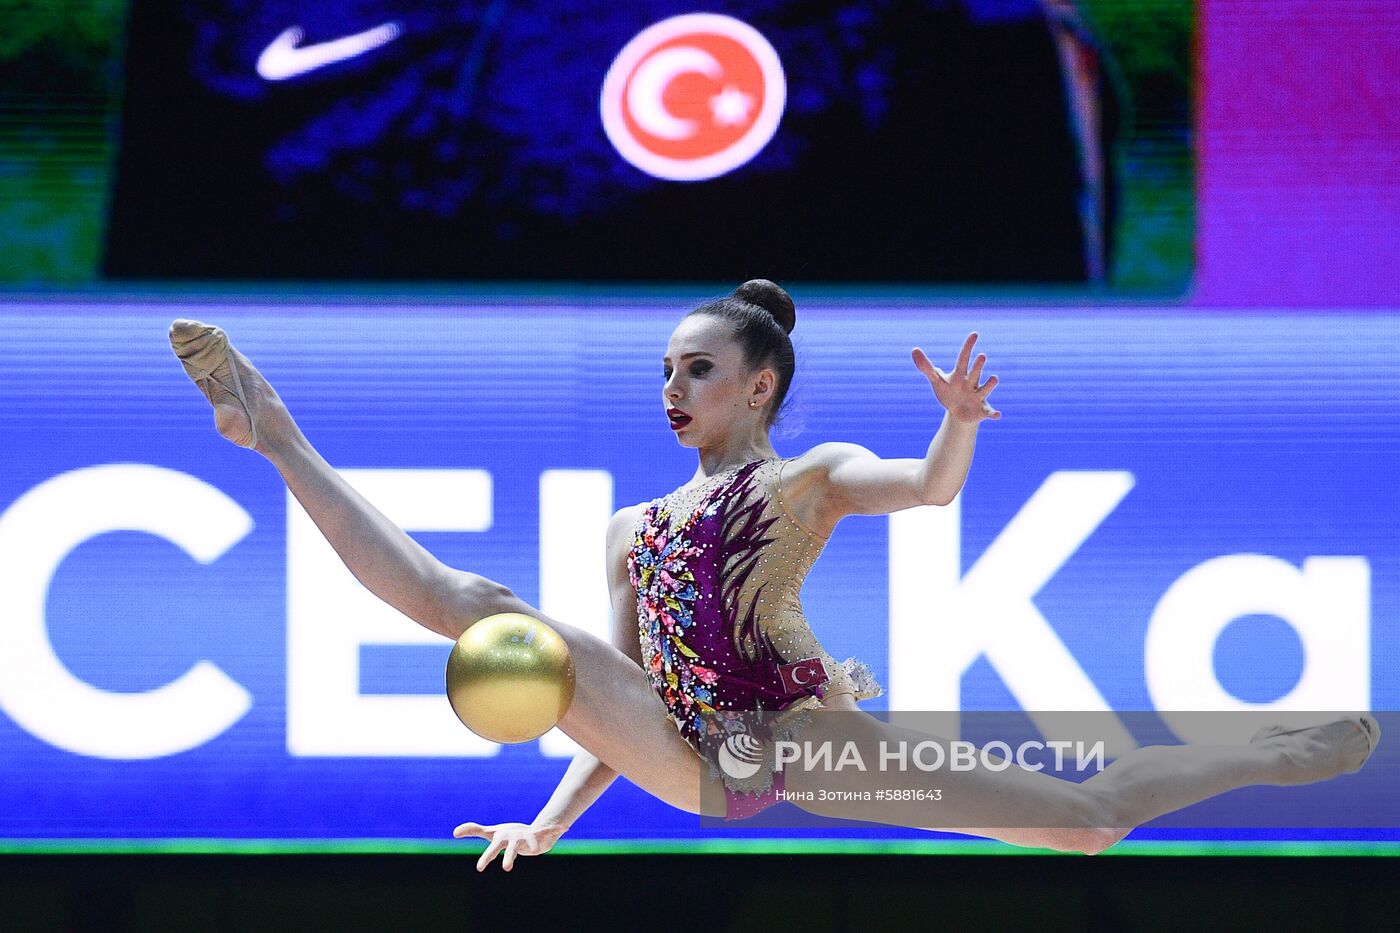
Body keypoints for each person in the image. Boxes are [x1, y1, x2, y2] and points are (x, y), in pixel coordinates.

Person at [169, 279, 1378, 869]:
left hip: (796, 743)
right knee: (482, 612)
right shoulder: (632, 528)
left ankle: (1264, 754)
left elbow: (929, 490)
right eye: (663, 370)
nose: (670, 389)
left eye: (696, 369)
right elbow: (613, 701)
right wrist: (547, 827)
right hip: (697, 758)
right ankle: (274, 428)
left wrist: (956, 422)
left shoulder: (811, 478)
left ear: (758, 386)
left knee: (1086, 826)